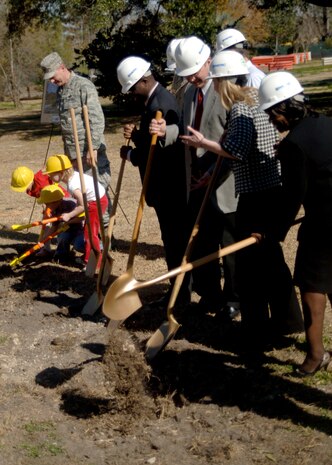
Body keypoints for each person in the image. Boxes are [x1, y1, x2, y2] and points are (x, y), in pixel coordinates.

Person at [181, 51, 302, 351]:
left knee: (250, 268)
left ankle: (256, 329)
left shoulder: (240, 110)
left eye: (217, 80)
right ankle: (288, 321)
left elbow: (235, 149)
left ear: (223, 81)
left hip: (255, 195)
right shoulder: (257, 101)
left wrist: (202, 143)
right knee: (271, 259)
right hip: (271, 188)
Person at [150, 36, 239, 317]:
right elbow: (191, 132)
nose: (192, 79)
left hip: (225, 182)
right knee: (202, 241)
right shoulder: (189, 93)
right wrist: (169, 132)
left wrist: (213, 172)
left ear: (209, 62)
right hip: (198, 181)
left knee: (229, 245)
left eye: (196, 73)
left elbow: (234, 143)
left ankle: (234, 298)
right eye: (187, 75)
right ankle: (210, 294)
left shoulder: (227, 92)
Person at [258, 71, 332, 375]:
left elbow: (291, 197)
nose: (273, 122)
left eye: (272, 115)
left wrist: (271, 231)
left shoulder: (294, 145)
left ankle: (316, 355)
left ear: (281, 110)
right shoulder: (327, 122)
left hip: (324, 228)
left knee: (312, 287)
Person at [116, 56, 189, 305]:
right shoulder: (153, 102)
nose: (131, 94)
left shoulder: (162, 104)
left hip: (169, 186)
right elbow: (151, 142)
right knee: (171, 239)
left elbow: (162, 151)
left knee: (175, 240)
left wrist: (132, 154)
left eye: (133, 88)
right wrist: (137, 136)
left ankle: (181, 291)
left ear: (145, 80)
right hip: (162, 187)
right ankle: (178, 289)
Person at [39, 52, 112, 228]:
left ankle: (104, 237)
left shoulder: (83, 86)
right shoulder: (61, 91)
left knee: (97, 191)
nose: (52, 82)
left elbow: (96, 118)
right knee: (81, 195)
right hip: (72, 154)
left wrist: (93, 147)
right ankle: (88, 235)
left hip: (89, 152)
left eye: (53, 77)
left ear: (62, 68)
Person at [46, 154, 108, 270]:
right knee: (88, 232)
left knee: (90, 233)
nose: (49, 177)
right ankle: (89, 256)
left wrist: (69, 215)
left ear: (61, 172)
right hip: (96, 199)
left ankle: (94, 262)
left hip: (96, 202)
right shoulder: (73, 177)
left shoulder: (73, 185)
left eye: (51, 174)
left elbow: (83, 205)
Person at [37, 184, 84, 263]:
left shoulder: (71, 204)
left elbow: (83, 218)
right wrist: (44, 239)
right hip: (67, 230)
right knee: (62, 237)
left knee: (78, 245)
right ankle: (61, 256)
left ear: (56, 202)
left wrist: (69, 221)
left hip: (81, 230)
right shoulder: (54, 209)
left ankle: (94, 253)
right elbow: (54, 227)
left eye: (47, 204)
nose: (46, 206)